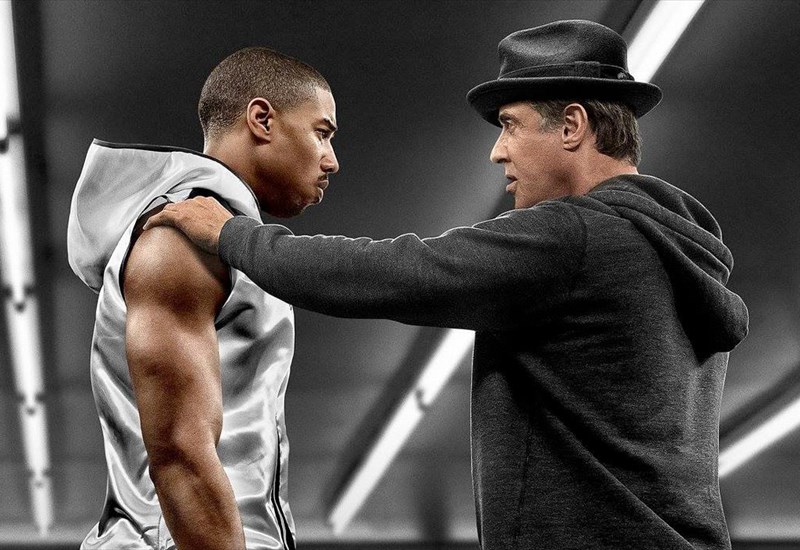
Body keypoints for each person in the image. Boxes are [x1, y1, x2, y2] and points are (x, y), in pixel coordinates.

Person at [146, 20, 749, 550]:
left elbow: (392, 274)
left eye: (510, 126)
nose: (497, 152)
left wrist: (233, 235)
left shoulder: (578, 238)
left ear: (572, 125)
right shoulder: (671, 250)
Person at [67, 46, 338, 550]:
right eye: (322, 133)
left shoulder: (226, 239)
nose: (331, 161)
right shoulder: (182, 238)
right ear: (262, 120)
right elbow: (180, 453)